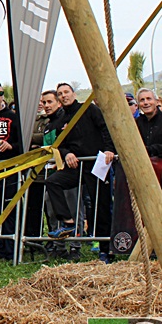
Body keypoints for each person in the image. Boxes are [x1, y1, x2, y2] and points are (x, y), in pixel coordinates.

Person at [43, 83, 115, 262]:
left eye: (66, 92)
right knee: (53, 182)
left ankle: (106, 250)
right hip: (76, 166)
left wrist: (109, 149)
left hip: (97, 163)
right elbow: (58, 145)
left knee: (101, 207)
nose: (64, 95)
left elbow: (105, 129)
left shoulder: (89, 110)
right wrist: (67, 154)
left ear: (73, 93)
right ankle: (67, 222)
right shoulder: (60, 121)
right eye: (60, 93)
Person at [0, 80, 21, 261]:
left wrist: (10, 146)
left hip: (9, 169)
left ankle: (8, 250)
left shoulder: (13, 116)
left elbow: (22, 144)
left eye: (0, 93)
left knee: (8, 209)